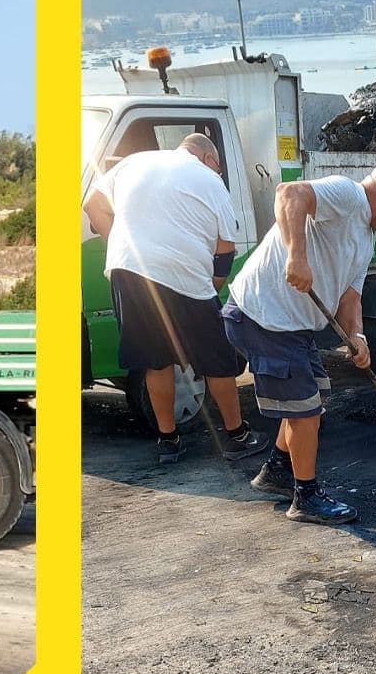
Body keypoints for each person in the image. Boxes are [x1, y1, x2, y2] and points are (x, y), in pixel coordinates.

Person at [221, 158, 376, 524]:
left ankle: (279, 471)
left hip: (292, 327)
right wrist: (296, 256)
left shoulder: (365, 238)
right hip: (263, 316)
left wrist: (357, 336)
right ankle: (306, 497)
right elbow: (289, 194)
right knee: (304, 410)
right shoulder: (349, 196)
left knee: (315, 398)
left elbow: (350, 298)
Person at [83, 133, 268, 464]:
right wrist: (211, 285)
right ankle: (237, 436)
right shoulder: (210, 180)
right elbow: (226, 249)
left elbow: (91, 205)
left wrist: (123, 241)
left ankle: (168, 441)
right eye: (219, 167)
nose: (220, 172)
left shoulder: (134, 162)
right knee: (218, 359)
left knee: (156, 360)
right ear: (208, 159)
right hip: (184, 277)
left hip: (129, 271)